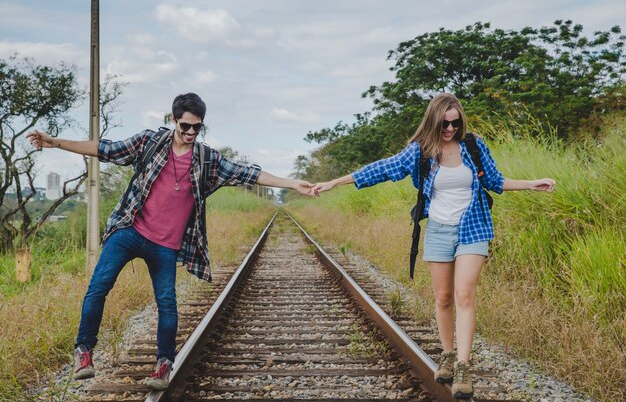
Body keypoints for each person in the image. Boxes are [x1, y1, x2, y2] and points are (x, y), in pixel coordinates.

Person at [27, 93, 315, 390]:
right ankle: (84, 351)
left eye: (197, 128)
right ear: (173, 119)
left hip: (165, 244)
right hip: (129, 231)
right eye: (186, 126)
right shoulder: (150, 143)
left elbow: (247, 174)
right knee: (99, 287)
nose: (190, 133)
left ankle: (163, 364)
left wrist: (292, 183)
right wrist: (55, 142)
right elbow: (106, 149)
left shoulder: (206, 158)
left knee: (167, 303)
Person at [312, 93, 555, 399]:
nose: (450, 129)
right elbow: (382, 169)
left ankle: (465, 367)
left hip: (474, 226)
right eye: (444, 123)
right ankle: (449, 354)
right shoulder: (422, 151)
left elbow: (494, 180)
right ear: (433, 121)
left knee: (464, 295)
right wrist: (335, 182)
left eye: (455, 122)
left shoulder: (474, 146)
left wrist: (531, 183)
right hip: (438, 230)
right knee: (442, 299)